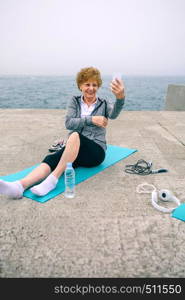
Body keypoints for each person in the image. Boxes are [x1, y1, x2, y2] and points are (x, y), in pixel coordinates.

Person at [0, 67, 125, 199]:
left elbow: (113, 114)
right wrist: (91, 119)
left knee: (75, 135)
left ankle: (52, 180)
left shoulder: (104, 104)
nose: (91, 88)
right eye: (87, 84)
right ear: (80, 86)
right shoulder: (74, 101)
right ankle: (20, 186)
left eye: (94, 85)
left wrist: (120, 98)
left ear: (98, 86)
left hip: (96, 152)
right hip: (74, 149)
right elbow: (69, 123)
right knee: (51, 159)